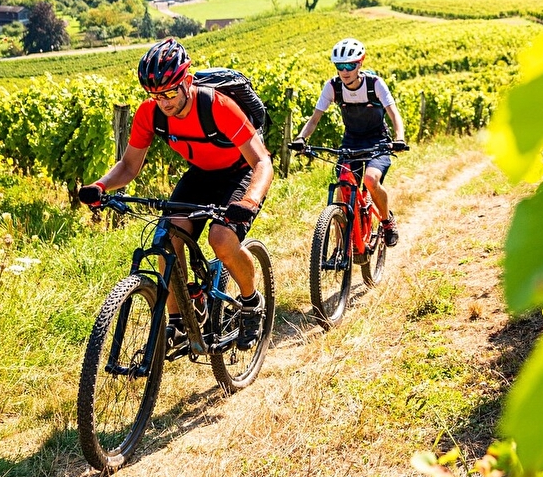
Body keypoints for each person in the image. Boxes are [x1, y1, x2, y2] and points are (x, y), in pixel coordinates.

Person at [78, 38, 272, 350]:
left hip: (240, 172)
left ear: (187, 81)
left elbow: (262, 161)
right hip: (201, 175)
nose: (164, 101)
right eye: (155, 95)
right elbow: (129, 165)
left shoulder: (217, 106)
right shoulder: (150, 113)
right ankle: (180, 322)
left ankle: (251, 304)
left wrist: (248, 200)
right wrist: (101, 186)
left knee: (221, 240)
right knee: (166, 238)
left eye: (169, 92)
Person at [292, 37, 407, 246]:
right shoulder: (333, 87)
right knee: (342, 190)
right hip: (351, 140)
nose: (345, 71)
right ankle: (341, 247)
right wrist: (301, 138)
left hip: (378, 141)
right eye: (340, 66)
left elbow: (394, 114)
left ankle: (387, 221)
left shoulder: (375, 85)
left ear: (360, 64)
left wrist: (399, 138)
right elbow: (315, 119)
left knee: (371, 181)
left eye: (350, 66)